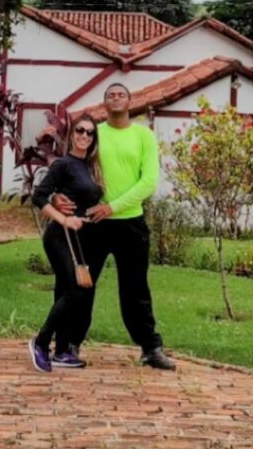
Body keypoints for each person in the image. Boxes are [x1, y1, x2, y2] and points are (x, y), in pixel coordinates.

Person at [53, 82, 176, 371]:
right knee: (81, 285)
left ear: (129, 101)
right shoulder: (94, 134)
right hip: (92, 224)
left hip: (130, 224)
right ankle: (69, 344)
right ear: (105, 103)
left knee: (135, 289)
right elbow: (73, 168)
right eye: (110, 95)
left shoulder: (143, 135)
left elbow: (148, 182)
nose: (116, 98)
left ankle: (150, 347)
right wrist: (59, 196)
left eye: (121, 94)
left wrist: (113, 206)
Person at [28, 114, 102, 373]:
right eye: (80, 131)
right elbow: (38, 196)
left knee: (65, 291)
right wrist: (64, 219)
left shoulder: (90, 167)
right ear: (71, 134)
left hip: (80, 239)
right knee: (76, 290)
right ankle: (41, 342)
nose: (84, 136)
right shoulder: (63, 164)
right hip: (60, 236)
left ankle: (60, 351)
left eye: (90, 133)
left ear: (94, 139)